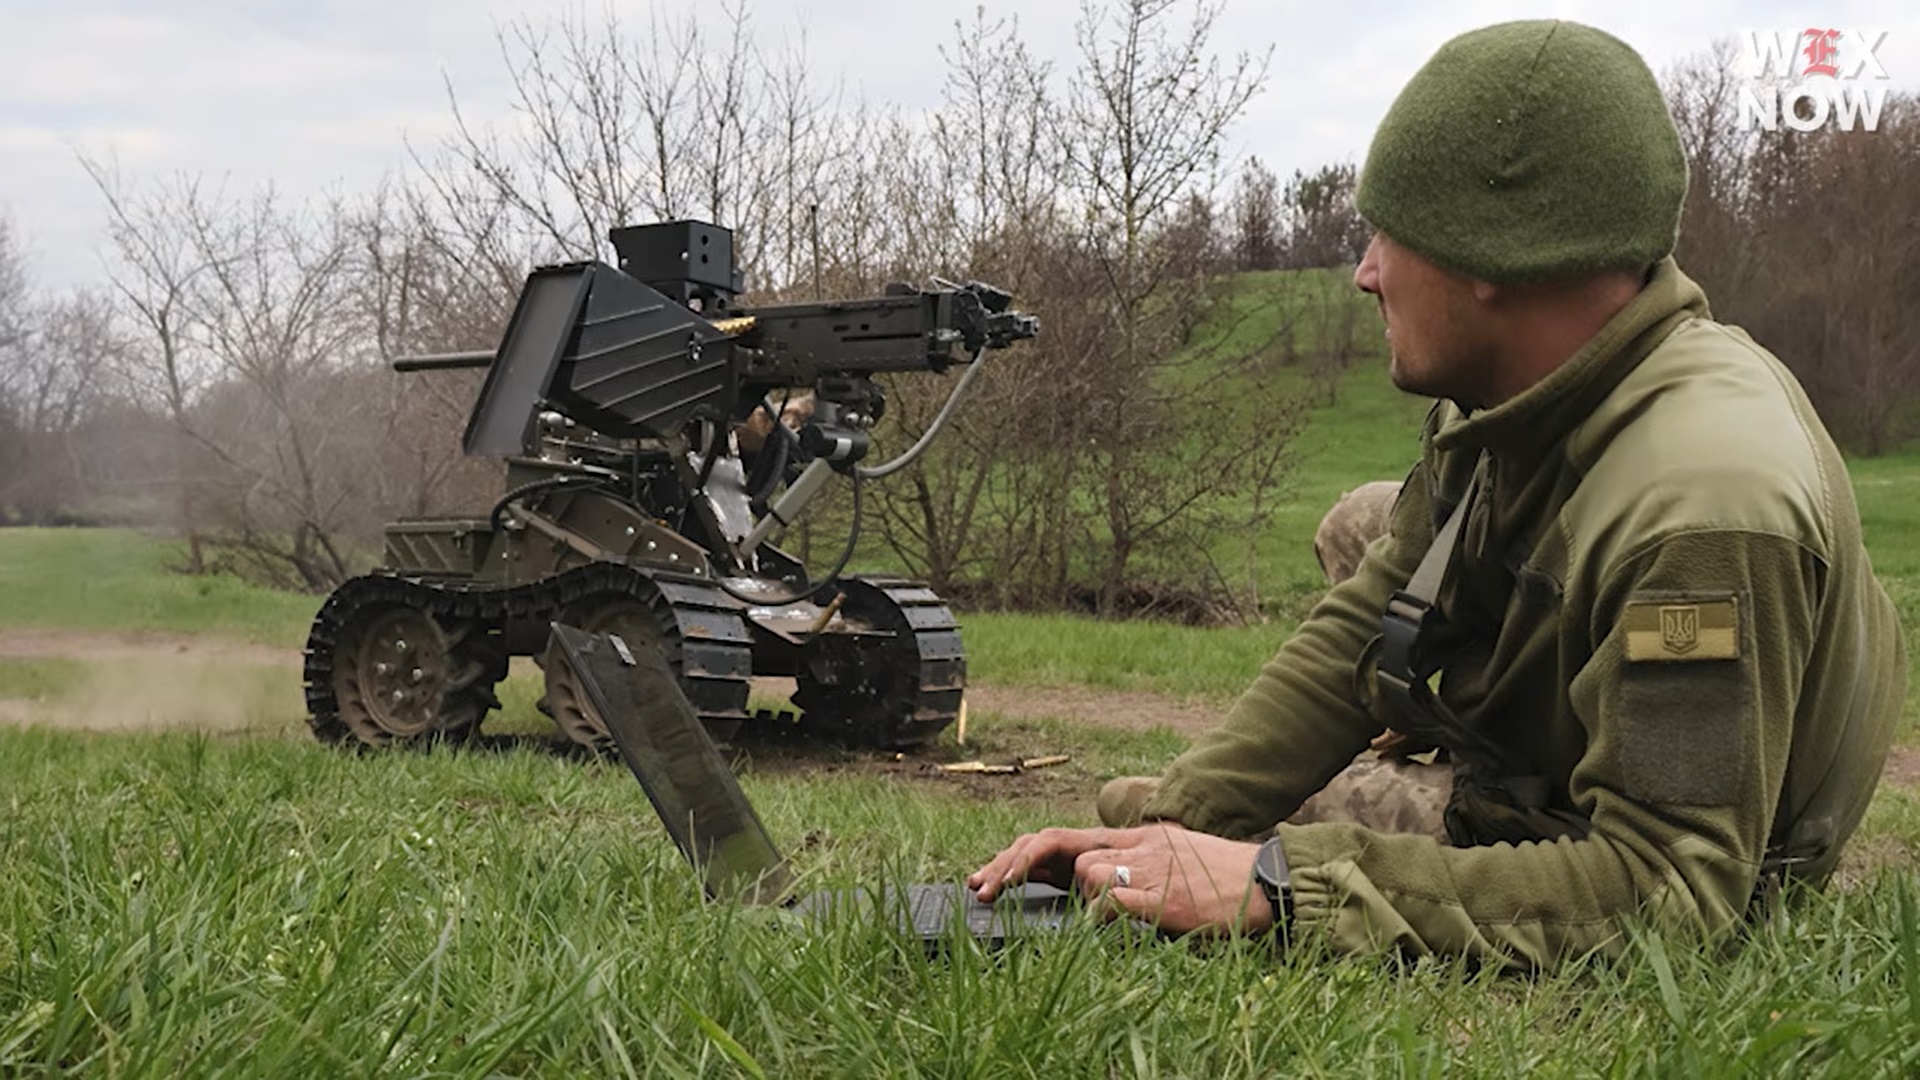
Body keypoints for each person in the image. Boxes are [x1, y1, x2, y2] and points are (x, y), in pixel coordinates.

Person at [969, 19, 1906, 969]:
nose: (1364, 273)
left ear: (1494, 260)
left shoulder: (1706, 507)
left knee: (1270, 851)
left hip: (1651, 844)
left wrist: (1283, 886)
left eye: (1389, 236)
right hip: (1562, 730)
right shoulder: (1518, 399)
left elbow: (1673, 891)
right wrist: (1175, 822)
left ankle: (1453, 794)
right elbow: (1365, 623)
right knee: (1149, 810)